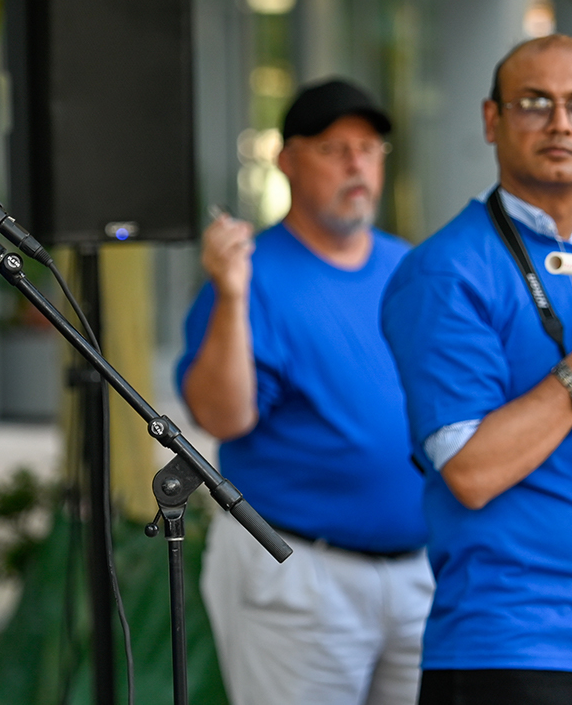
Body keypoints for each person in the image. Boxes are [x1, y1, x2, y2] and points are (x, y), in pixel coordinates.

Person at [381, 35, 572, 705]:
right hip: (515, 646)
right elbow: (471, 472)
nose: (560, 123)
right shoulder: (445, 271)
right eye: (535, 103)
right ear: (492, 120)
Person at [178, 79, 431, 705]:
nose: (356, 164)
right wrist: (232, 294)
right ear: (287, 161)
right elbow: (221, 416)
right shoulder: (248, 274)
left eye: (369, 148)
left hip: (420, 573)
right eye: (333, 148)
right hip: (300, 575)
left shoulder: (411, 267)